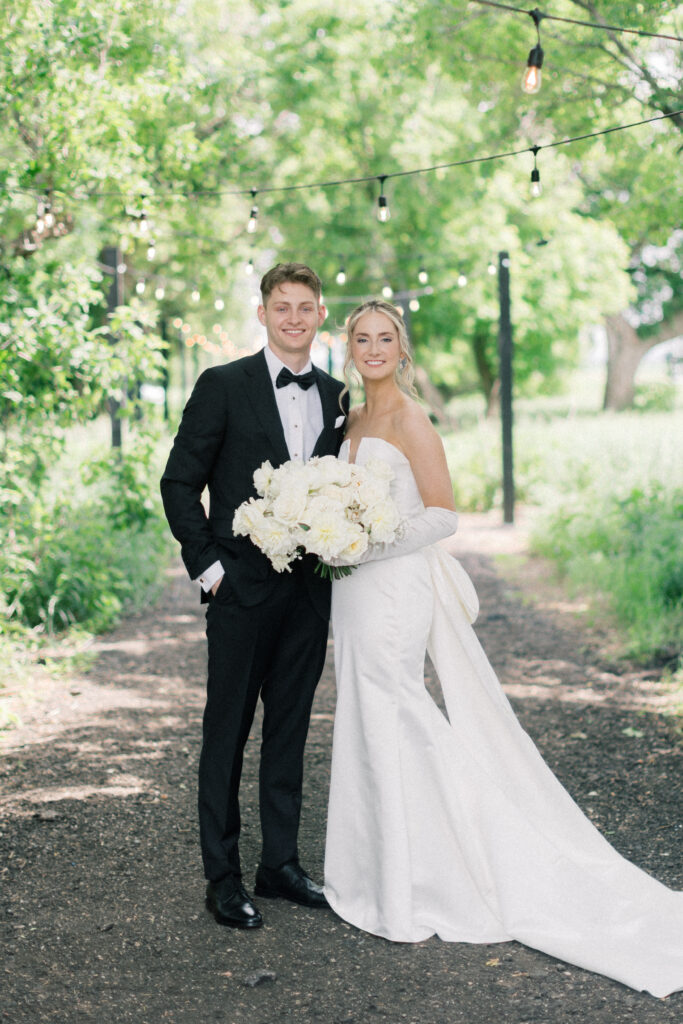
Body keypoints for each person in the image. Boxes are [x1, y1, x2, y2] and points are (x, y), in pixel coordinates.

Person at [322, 298, 683, 998]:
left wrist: (365, 543)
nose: (372, 349)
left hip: (392, 584)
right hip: (352, 589)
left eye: (385, 339)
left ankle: (431, 876)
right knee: (364, 714)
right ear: (350, 347)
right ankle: (376, 873)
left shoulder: (410, 418)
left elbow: (443, 514)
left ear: (403, 349)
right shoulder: (352, 417)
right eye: (361, 338)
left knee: (397, 712)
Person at [161, 263, 347, 929]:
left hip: (307, 598)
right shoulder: (222, 386)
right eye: (282, 306)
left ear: (320, 314)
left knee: (290, 734)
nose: (294, 317)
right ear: (263, 313)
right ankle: (223, 876)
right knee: (227, 734)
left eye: (305, 306)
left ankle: (280, 865)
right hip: (240, 591)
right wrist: (210, 571)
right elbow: (179, 483)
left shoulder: (336, 395)